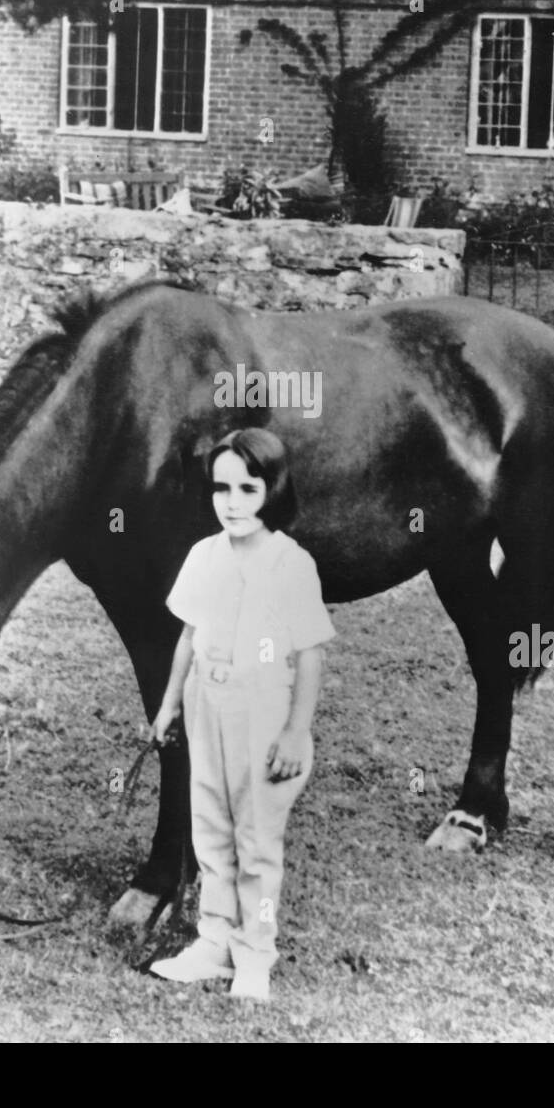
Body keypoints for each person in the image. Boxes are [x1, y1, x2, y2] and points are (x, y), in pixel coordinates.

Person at [150, 427, 335, 1002]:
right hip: (208, 705)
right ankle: (213, 940)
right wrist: (169, 703)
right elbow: (188, 636)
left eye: (248, 489)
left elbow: (309, 655)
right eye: (221, 489)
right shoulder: (204, 556)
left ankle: (254, 953)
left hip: (263, 713)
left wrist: (295, 731)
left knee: (256, 841)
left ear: (273, 491)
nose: (232, 503)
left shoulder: (291, 563)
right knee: (210, 829)